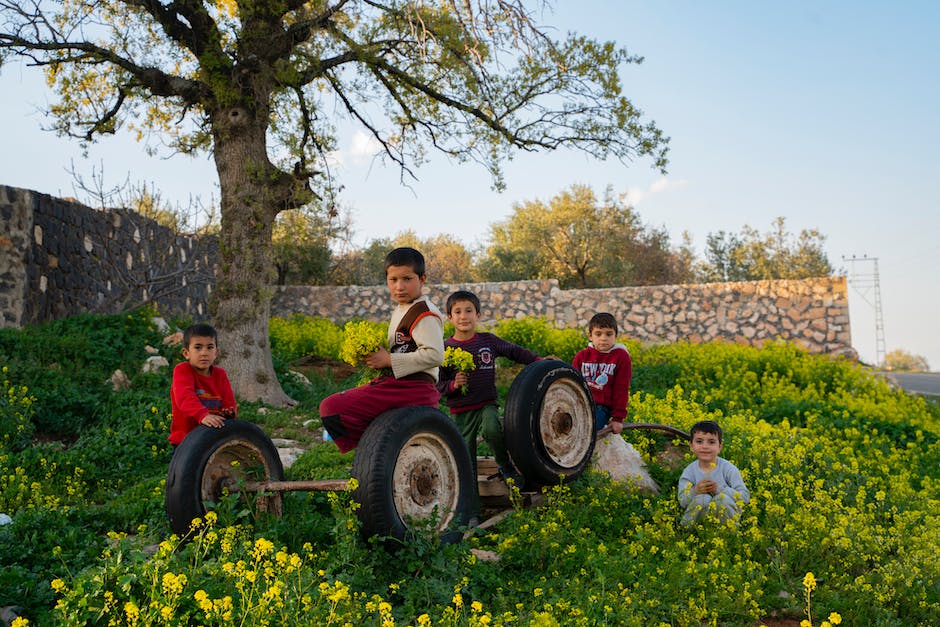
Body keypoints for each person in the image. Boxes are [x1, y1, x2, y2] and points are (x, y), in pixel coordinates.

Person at [319, 247, 445, 453]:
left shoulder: (424, 312)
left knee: (331, 408)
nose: (399, 286)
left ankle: (372, 450)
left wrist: (388, 361)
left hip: (413, 389)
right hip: (397, 386)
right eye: (393, 280)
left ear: (422, 279)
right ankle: (375, 450)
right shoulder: (401, 309)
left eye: (407, 279)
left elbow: (435, 355)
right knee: (333, 408)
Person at [437, 290, 543, 495]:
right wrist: (453, 385)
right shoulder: (445, 349)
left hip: (486, 402)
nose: (463, 316)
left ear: (478, 315)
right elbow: (437, 383)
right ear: (449, 318)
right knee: (466, 459)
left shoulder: (488, 341)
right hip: (460, 411)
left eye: (469, 310)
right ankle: (470, 510)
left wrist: (538, 361)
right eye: (457, 312)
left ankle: (505, 467)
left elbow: (514, 351)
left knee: (493, 429)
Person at [168, 323, 237, 446]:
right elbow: (184, 397)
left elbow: (228, 402)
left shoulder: (220, 374)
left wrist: (229, 413)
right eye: (198, 347)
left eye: (210, 347)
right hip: (186, 442)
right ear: (186, 353)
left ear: (216, 352)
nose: (204, 353)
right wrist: (202, 415)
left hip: (213, 439)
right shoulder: (183, 370)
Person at [677, 420, 750, 526]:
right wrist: (695, 491)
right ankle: (688, 534)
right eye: (699, 441)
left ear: (720, 447)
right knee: (703, 499)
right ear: (691, 446)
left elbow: (745, 497)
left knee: (723, 500)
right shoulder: (689, 471)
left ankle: (727, 536)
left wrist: (719, 489)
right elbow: (682, 501)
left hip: (725, 523)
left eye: (711, 442)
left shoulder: (728, 469)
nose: (705, 446)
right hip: (698, 527)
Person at [571, 312, 632, 433]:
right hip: (578, 403)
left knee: (586, 430)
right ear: (590, 336)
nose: (603, 338)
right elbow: (572, 382)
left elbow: (621, 388)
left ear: (616, 335)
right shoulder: (582, 356)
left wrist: (617, 419)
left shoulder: (621, 356)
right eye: (598, 334)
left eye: (609, 334)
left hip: (600, 407)